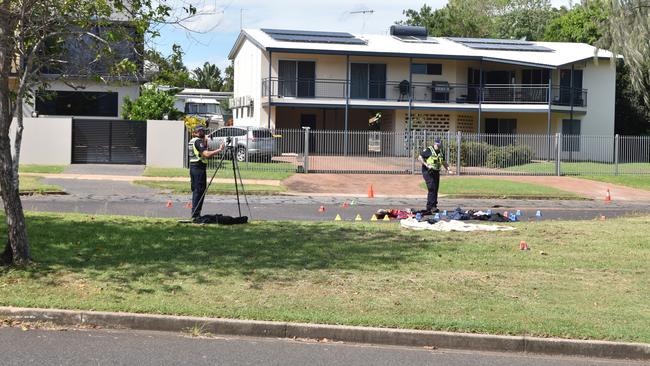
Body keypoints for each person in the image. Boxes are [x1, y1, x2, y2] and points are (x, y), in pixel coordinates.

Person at [188, 125, 224, 221]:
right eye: (199, 131)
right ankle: (195, 215)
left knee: (197, 190)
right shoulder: (198, 141)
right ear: (195, 133)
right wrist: (219, 150)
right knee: (199, 191)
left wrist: (206, 142)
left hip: (194, 167)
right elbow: (206, 154)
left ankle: (195, 213)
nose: (202, 132)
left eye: (202, 131)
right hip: (198, 168)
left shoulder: (192, 141)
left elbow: (202, 152)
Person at [417, 137, 449, 214]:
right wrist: (426, 164)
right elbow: (419, 157)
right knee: (431, 188)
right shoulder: (429, 150)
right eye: (437, 144)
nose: (439, 146)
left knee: (435, 189)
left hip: (436, 172)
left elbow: (443, 162)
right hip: (428, 171)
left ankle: (434, 206)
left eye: (440, 144)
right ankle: (429, 207)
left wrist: (449, 169)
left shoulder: (441, 152)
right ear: (435, 143)